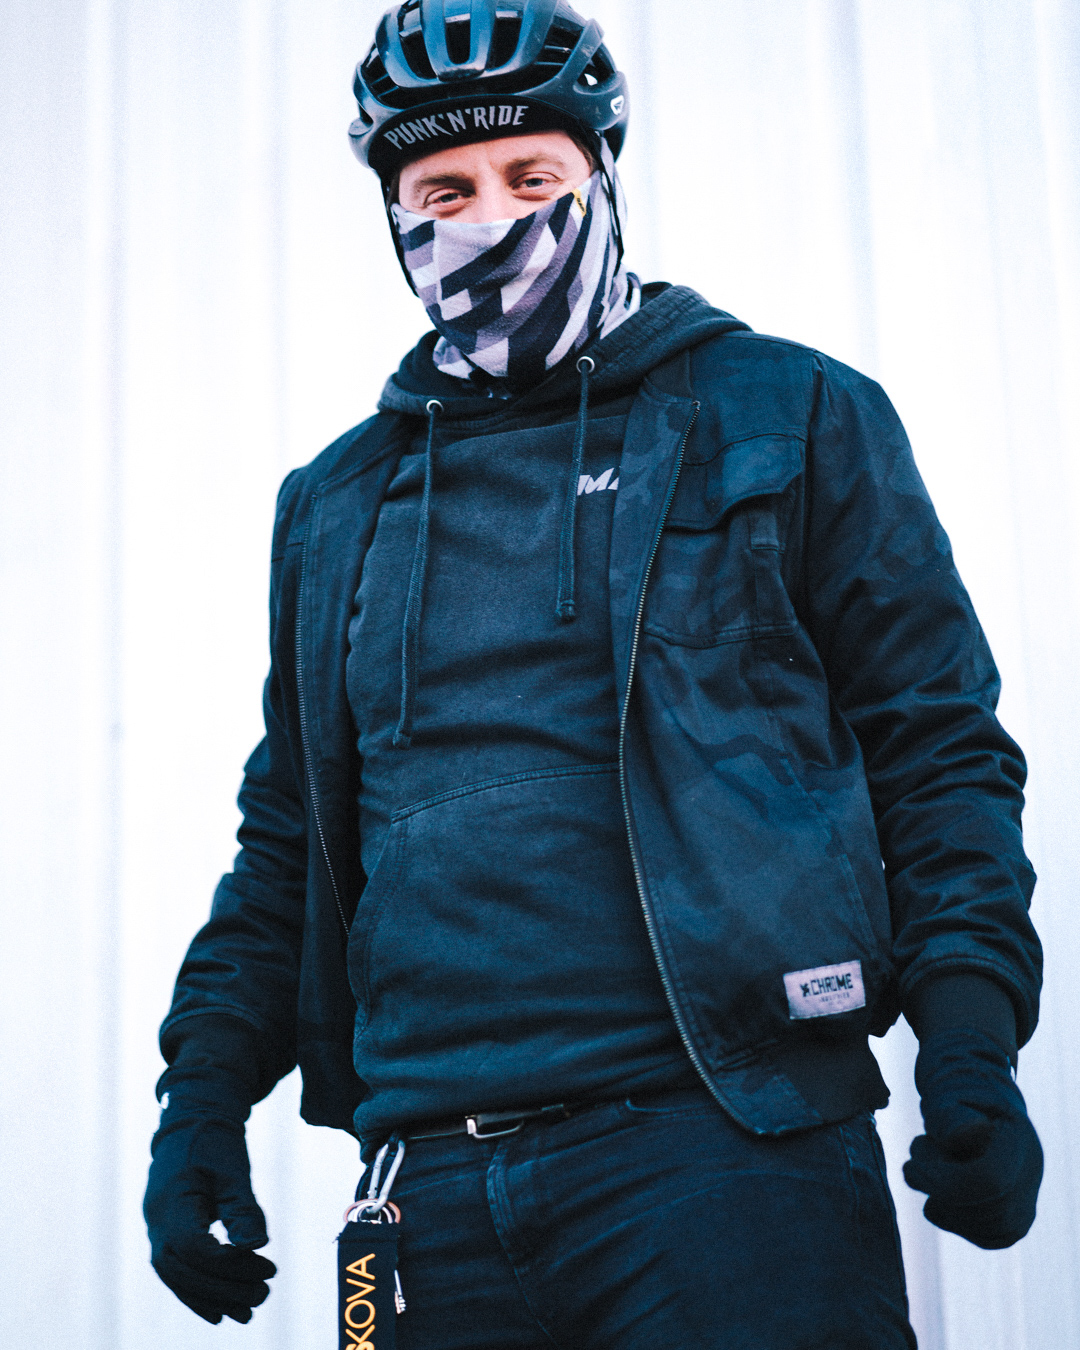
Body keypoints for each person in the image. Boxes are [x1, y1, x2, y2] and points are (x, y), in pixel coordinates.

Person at [143, 2, 1044, 1345]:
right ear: (394, 214)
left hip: (723, 1156)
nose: (492, 221)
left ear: (601, 175)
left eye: (532, 177)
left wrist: (969, 1039)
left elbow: (936, 745)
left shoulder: (787, 413)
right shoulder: (334, 503)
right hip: (421, 1195)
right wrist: (202, 1104)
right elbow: (290, 838)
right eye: (445, 192)